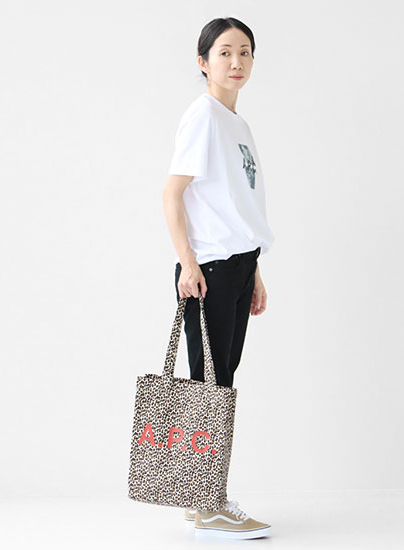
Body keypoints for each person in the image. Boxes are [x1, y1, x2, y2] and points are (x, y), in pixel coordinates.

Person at [161, 17, 274, 540]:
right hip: (209, 271)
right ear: (203, 62)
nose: (236, 62)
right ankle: (208, 503)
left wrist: (255, 270)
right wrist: (187, 262)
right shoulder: (203, 116)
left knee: (219, 384)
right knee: (211, 387)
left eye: (244, 52)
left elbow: (235, 205)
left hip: (237, 266)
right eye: (225, 52)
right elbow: (172, 194)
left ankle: (201, 499)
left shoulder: (236, 125)